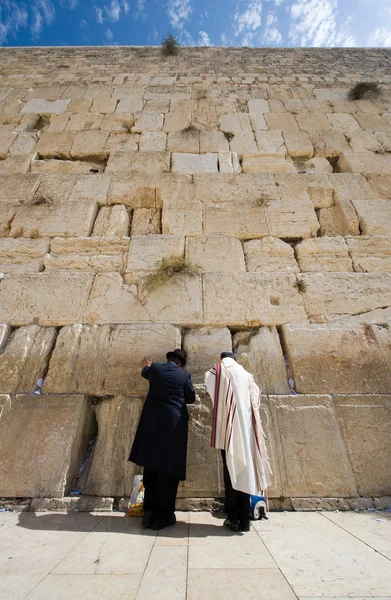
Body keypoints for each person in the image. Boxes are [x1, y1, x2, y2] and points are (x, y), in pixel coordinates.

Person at [205, 351, 272, 532]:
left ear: (222, 359)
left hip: (229, 431)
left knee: (230, 473)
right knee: (245, 472)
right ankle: (245, 520)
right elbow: (256, 397)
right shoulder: (247, 375)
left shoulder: (218, 370)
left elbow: (209, 388)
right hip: (248, 431)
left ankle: (233, 518)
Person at [129, 348, 195, 531]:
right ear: (180, 363)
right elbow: (191, 398)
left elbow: (146, 372)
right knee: (168, 473)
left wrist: (148, 366)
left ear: (169, 360)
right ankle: (163, 517)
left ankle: (148, 515)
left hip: (152, 428)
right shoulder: (184, 375)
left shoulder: (156, 369)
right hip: (173, 429)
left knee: (150, 471)